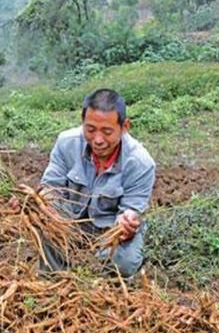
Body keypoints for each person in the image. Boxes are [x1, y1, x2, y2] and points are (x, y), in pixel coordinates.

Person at [38, 88, 156, 277]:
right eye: (90, 130)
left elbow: (131, 209)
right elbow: (52, 187)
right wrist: (42, 205)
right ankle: (53, 280)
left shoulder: (140, 163)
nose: (98, 140)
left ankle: (101, 285)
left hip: (109, 228)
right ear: (82, 121)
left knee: (124, 262)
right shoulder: (66, 143)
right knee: (44, 222)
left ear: (125, 126)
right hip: (70, 222)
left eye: (107, 132)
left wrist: (126, 223)